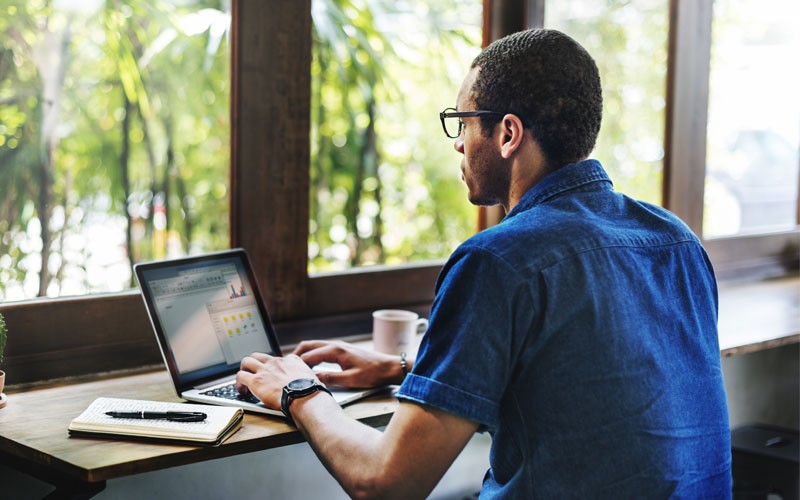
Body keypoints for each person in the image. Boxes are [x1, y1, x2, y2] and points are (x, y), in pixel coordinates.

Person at [237, 28, 732, 498]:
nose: (458, 142)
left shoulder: (498, 260)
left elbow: (384, 482)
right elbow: (587, 377)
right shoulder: (677, 242)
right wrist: (405, 367)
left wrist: (298, 390)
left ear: (508, 134)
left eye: (464, 122)